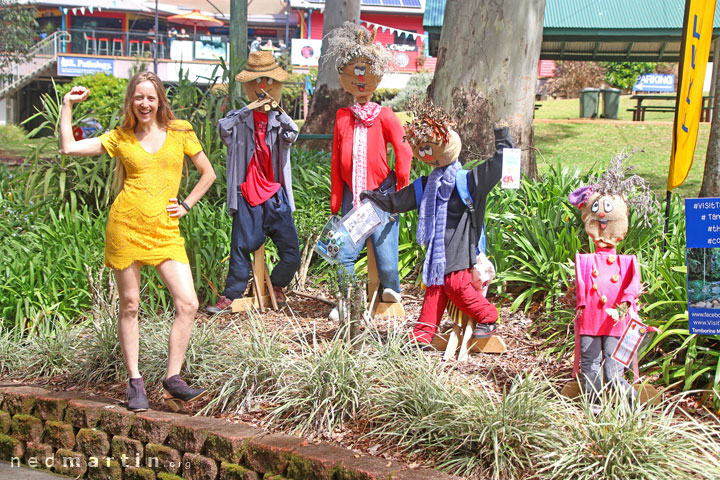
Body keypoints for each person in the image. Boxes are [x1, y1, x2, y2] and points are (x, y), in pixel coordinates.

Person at [59, 72, 216, 412]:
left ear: (160, 100)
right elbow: (68, 148)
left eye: (151, 97)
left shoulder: (181, 131)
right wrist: (67, 105)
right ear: (131, 101)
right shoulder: (121, 137)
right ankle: (135, 382)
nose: (145, 104)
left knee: (188, 303)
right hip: (126, 227)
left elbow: (209, 173)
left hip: (165, 231)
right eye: (138, 98)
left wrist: (186, 204)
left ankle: (173, 380)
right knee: (130, 304)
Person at [361, 101, 512, 347]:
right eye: (422, 151)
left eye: (430, 149)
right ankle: (423, 333)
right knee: (435, 289)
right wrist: (375, 198)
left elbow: (499, 164)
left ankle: (488, 315)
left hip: (461, 244)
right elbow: (400, 200)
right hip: (437, 248)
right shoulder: (427, 185)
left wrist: (502, 134)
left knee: (455, 285)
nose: (427, 156)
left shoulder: (468, 181)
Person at [324, 22, 412, 321]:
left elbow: (403, 148)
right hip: (352, 199)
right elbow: (337, 160)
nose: (360, 81)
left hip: (382, 197)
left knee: (387, 259)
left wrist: (401, 184)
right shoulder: (342, 117)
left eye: (366, 73)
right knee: (342, 252)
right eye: (353, 74)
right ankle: (346, 301)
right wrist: (337, 198)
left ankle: (391, 291)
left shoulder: (384, 115)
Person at [207, 51, 300, 314]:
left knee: (291, 252)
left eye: (269, 82)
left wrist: (278, 111)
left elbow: (293, 133)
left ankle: (276, 285)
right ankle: (232, 297)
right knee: (240, 249)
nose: (264, 88)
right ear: (249, 85)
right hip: (247, 194)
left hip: (276, 195)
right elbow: (223, 128)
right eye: (258, 82)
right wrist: (248, 110)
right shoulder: (240, 120)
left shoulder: (278, 121)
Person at [568, 155, 658, 410]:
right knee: (590, 362)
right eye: (598, 211)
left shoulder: (627, 261)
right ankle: (595, 408)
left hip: (617, 319)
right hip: (590, 320)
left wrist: (624, 305)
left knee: (613, 366)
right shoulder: (584, 260)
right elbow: (582, 289)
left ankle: (630, 407)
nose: (604, 217)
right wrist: (580, 303)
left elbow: (632, 287)